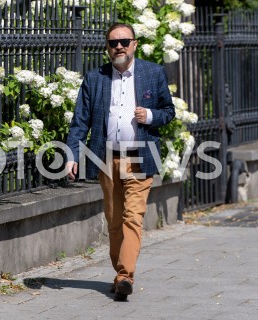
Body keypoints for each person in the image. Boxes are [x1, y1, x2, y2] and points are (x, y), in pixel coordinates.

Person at [65, 22, 176, 301]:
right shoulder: (95, 78)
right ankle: (120, 274)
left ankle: (126, 276)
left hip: (140, 155)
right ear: (107, 47)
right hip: (107, 157)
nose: (119, 47)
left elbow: (168, 111)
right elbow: (81, 120)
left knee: (133, 217)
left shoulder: (153, 72)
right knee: (114, 220)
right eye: (114, 42)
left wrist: (150, 116)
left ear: (134, 44)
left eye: (125, 41)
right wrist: (71, 155)